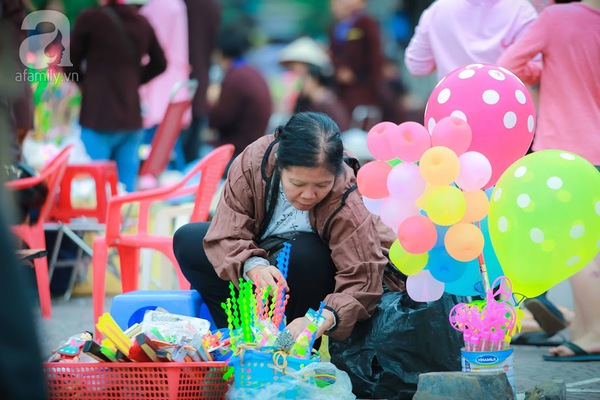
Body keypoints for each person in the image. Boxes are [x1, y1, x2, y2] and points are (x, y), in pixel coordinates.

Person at [174, 111, 404, 341]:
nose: (308, 194)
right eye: (297, 183)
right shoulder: (253, 164)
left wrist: (318, 320)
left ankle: (292, 342)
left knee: (305, 252)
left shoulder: (345, 195)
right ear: (279, 165)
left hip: (311, 274)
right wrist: (253, 265)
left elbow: (362, 275)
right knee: (189, 240)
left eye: (322, 184)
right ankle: (241, 335)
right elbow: (227, 230)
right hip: (262, 264)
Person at [498, 0, 600, 361]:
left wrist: (541, 70)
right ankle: (585, 332)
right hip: (596, 148)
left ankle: (593, 335)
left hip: (564, 151)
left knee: (578, 250)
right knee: (589, 244)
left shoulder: (557, 19)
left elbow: (507, 66)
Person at [63, 0, 167, 192]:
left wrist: (88, 84)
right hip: (131, 117)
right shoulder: (141, 22)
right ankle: (122, 223)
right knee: (125, 193)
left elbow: (69, 63)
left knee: (92, 190)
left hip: (98, 115)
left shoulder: (90, 18)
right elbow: (160, 63)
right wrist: (133, 80)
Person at [404, 0, 538, 82]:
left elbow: (417, 66)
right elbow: (536, 69)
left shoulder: (437, 9)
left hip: (450, 111)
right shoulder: (521, 11)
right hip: (505, 114)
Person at [206, 23, 272, 163]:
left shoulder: (235, 78)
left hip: (238, 155)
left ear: (219, 52)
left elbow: (218, 120)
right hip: (254, 150)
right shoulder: (252, 72)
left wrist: (210, 101)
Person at [138, 0, 191, 173]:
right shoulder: (176, 5)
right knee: (170, 145)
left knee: (155, 151)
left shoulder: (158, 6)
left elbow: (152, 50)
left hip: (159, 87)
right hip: (175, 83)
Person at [328, 0, 384, 126]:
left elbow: (375, 55)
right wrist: (339, 70)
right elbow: (333, 53)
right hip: (342, 85)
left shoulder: (366, 22)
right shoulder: (336, 26)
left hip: (363, 84)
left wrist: (373, 83)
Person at [278, 37, 350, 131]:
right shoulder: (305, 102)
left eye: (300, 75)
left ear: (314, 76)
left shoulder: (327, 104)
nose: (296, 79)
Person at [180, 0, 220, 164]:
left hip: (178, 89)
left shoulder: (179, 4)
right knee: (191, 154)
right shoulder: (212, 5)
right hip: (200, 84)